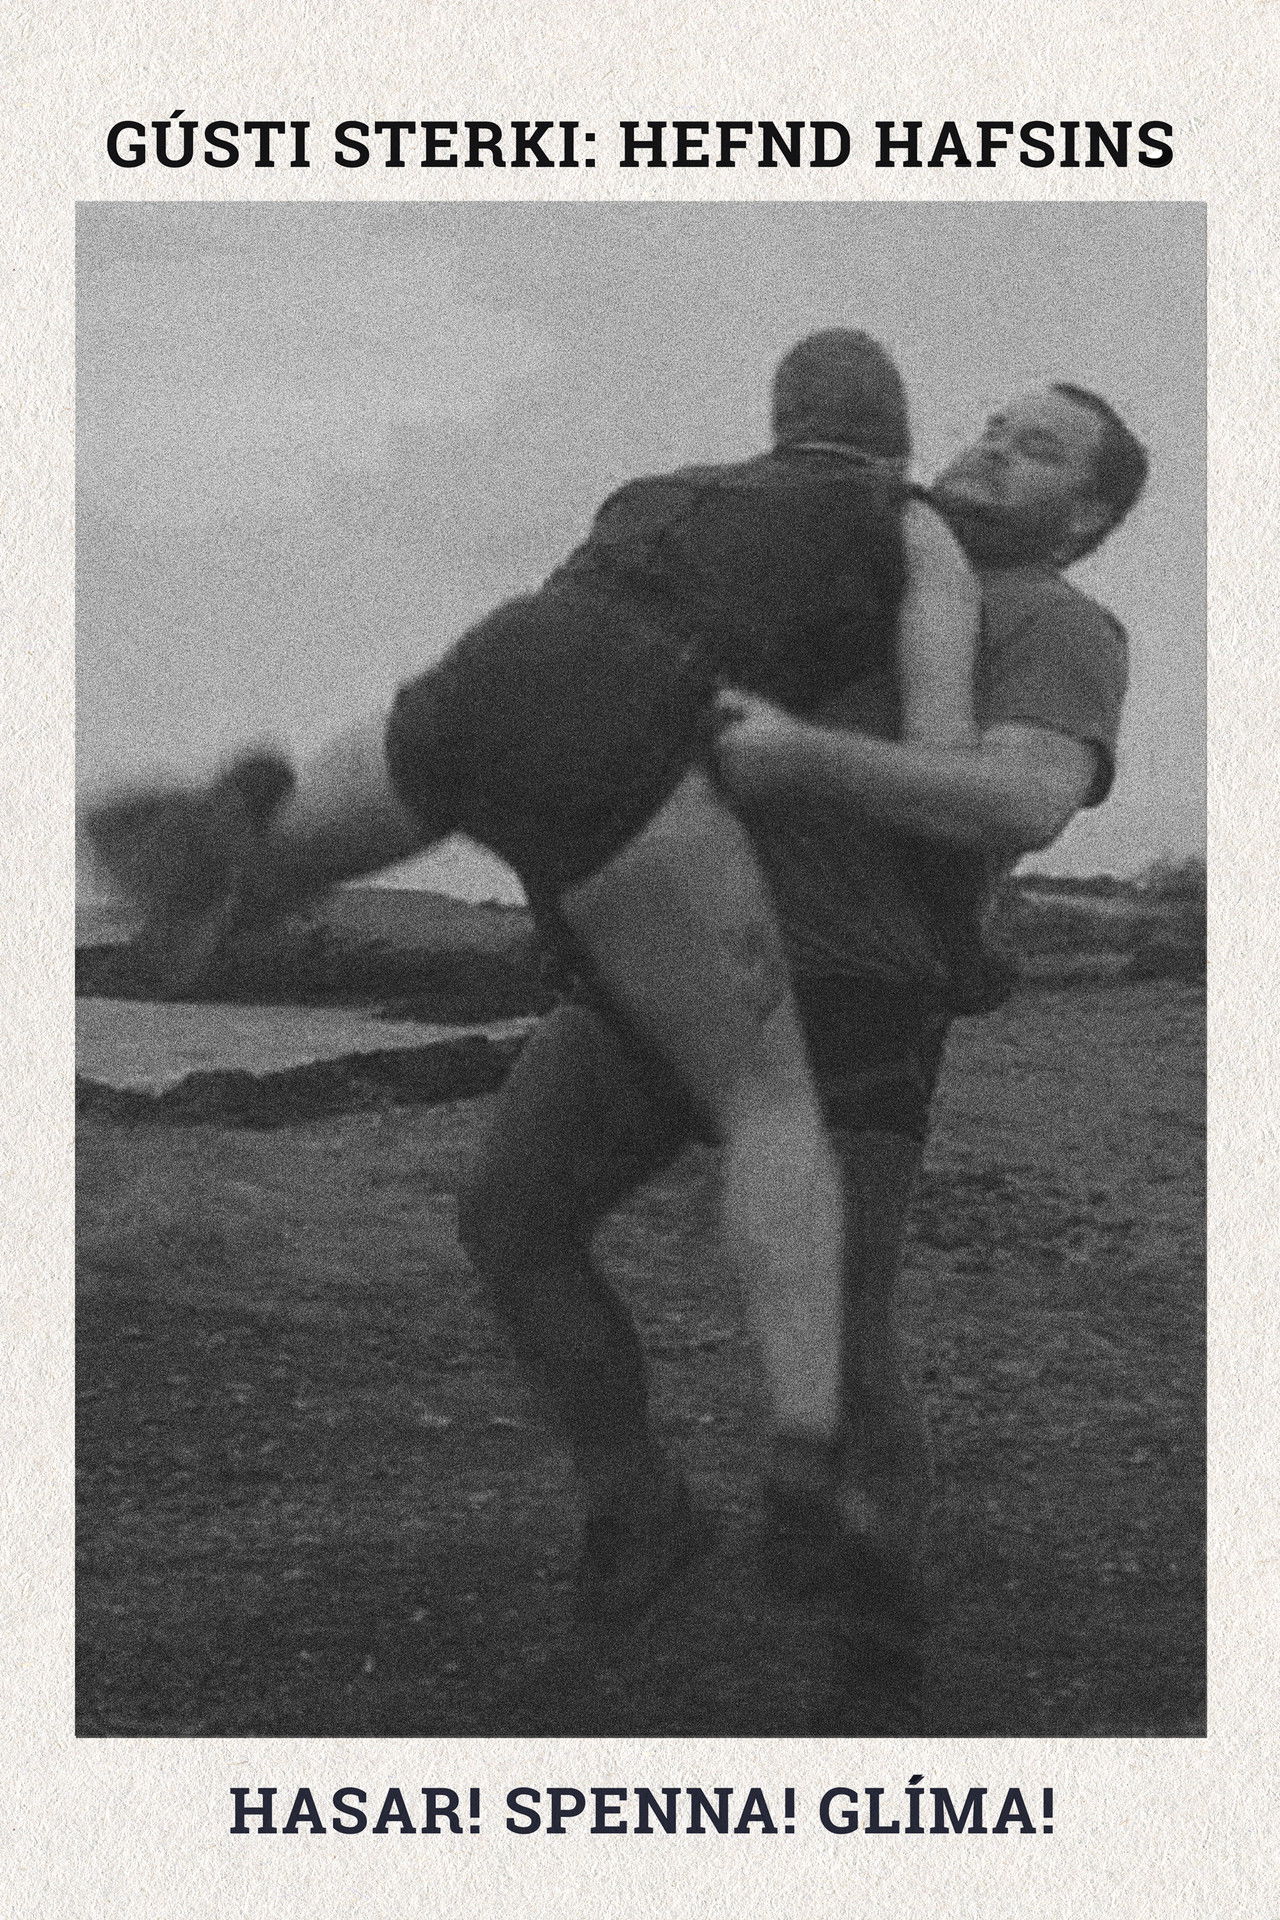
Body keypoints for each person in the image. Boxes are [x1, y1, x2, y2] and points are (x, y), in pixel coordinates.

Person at [85, 330, 981, 1577]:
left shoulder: (658, 493)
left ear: (779, 420)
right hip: (633, 709)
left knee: (320, 838)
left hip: (491, 665)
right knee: (769, 1102)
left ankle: (250, 857)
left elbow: (567, 636)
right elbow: (940, 754)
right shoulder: (908, 522)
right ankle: (800, 1442)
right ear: (896, 439)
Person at [459, 380, 1149, 1653]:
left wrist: (801, 755)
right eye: (992, 427)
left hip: (849, 993)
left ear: (1085, 516)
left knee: (843, 1333)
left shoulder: (1054, 623)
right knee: (512, 1223)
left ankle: (875, 1649)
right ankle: (636, 1503)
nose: (990, 449)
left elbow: (1022, 804)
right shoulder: (842, 558)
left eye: (1037, 450)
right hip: (665, 963)